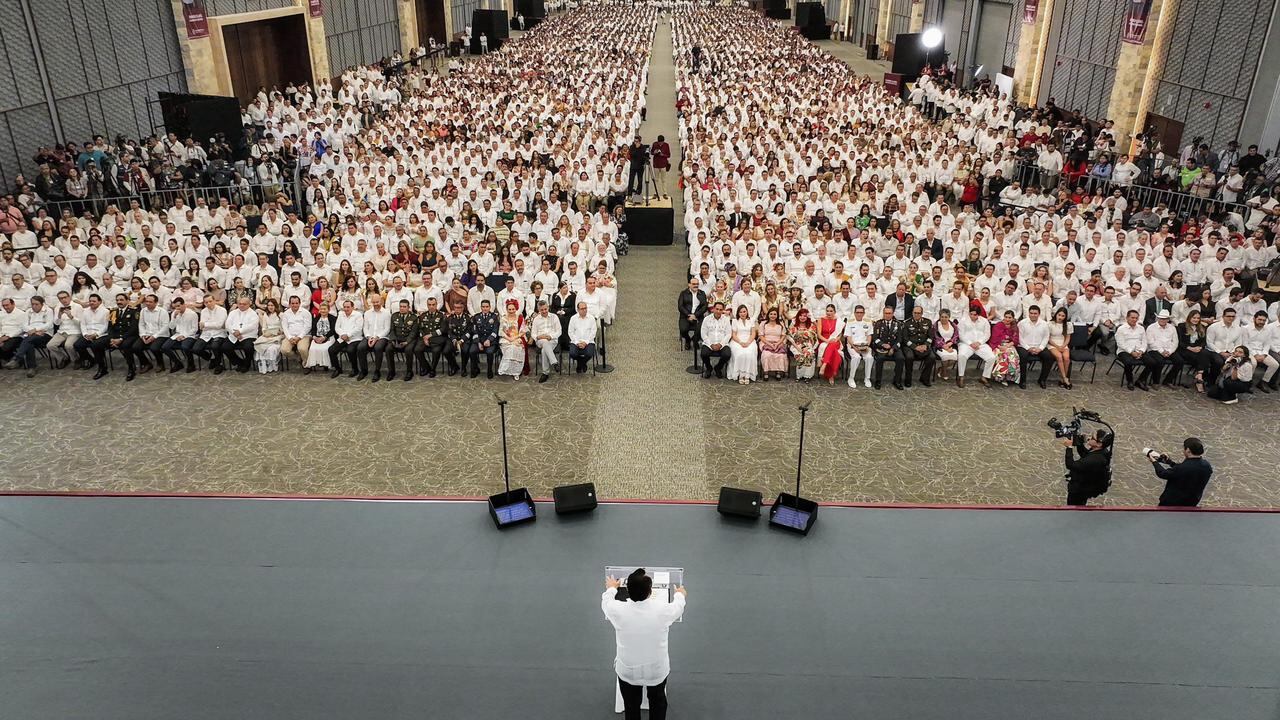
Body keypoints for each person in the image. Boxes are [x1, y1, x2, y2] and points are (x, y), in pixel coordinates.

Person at [602, 570, 687, 720]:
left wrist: (611, 588)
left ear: (627, 590)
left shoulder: (617, 610)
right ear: (650, 592)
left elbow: (606, 602)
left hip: (628, 671)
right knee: (658, 703)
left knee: (631, 706)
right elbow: (678, 606)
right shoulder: (662, 611)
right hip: (657, 671)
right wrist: (680, 594)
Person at [1150, 438, 1213, 506]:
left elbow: (1163, 473)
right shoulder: (1207, 466)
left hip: (1171, 505)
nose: (1183, 451)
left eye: (1184, 448)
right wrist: (1169, 462)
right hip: (1191, 504)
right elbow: (1183, 471)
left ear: (1188, 450)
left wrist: (1154, 462)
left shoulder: (1182, 468)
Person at [1061, 429, 1113, 506]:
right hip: (1087, 483)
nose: (1089, 438)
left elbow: (1070, 465)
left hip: (1080, 490)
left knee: (1074, 506)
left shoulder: (1095, 460)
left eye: (1092, 438)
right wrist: (1079, 443)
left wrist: (1069, 447)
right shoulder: (1101, 450)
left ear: (1099, 444)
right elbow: (1085, 454)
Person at [726, 304, 758, 384]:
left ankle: (747, 375)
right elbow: (733, 335)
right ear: (738, 313)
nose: (743, 314)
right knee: (740, 353)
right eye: (740, 312)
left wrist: (748, 342)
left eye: (744, 311)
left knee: (749, 353)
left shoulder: (751, 320)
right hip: (737, 340)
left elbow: (753, 334)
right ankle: (740, 374)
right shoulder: (734, 321)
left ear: (747, 312)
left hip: (749, 340)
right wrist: (740, 342)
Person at [699, 302, 730, 379]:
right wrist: (711, 344)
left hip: (722, 343)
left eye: (720, 310)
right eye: (717, 309)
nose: (718, 311)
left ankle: (718, 367)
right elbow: (703, 334)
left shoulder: (726, 320)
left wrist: (720, 344)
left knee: (727, 354)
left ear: (723, 310)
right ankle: (708, 367)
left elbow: (728, 334)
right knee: (704, 354)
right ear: (713, 309)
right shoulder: (707, 319)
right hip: (709, 343)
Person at [567, 301, 597, 373]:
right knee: (572, 354)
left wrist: (585, 342)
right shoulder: (573, 318)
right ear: (578, 310)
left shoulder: (591, 318)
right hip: (576, 341)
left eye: (585, 308)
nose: (584, 310)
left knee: (589, 353)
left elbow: (593, 332)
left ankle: (580, 364)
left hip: (589, 341)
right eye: (582, 309)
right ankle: (582, 363)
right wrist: (577, 342)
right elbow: (570, 332)